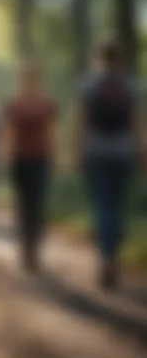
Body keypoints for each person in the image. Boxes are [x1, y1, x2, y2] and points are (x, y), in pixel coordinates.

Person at [75, 40, 146, 290]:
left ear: (98, 58)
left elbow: (82, 122)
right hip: (123, 153)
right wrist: (142, 151)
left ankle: (106, 259)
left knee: (103, 206)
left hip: (97, 153)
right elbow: (137, 123)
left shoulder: (89, 85)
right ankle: (112, 256)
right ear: (120, 59)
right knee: (117, 207)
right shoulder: (130, 85)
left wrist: (79, 152)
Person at [0, 61, 56, 273]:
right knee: (24, 204)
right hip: (19, 159)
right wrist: (3, 155)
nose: (28, 81)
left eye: (31, 78)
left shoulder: (46, 104)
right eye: (25, 78)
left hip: (40, 158)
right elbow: (6, 132)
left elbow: (52, 132)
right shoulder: (13, 104)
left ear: (37, 80)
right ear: (21, 80)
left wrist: (54, 155)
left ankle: (34, 248)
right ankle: (26, 247)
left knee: (37, 203)